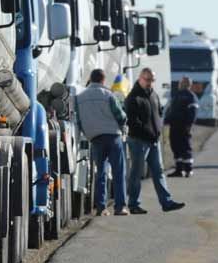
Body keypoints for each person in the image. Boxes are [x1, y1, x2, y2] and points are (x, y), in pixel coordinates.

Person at [124, 68, 187, 214]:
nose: (150, 83)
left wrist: (157, 133)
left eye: (152, 80)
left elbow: (158, 114)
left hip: (153, 141)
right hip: (139, 141)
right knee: (136, 173)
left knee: (159, 172)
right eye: (147, 80)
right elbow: (133, 122)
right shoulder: (133, 98)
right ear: (140, 78)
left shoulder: (153, 95)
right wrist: (149, 133)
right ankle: (133, 204)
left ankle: (166, 202)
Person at [74, 69, 128, 215]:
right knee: (118, 172)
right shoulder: (108, 95)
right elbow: (121, 116)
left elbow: (78, 119)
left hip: (95, 138)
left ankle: (101, 207)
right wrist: (123, 125)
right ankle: (120, 207)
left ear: (91, 79)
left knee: (100, 173)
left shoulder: (79, 97)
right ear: (103, 80)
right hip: (113, 137)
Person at [166, 76, 200, 177]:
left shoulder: (191, 96)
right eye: (181, 82)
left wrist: (189, 124)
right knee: (175, 146)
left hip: (184, 126)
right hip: (174, 125)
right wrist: (167, 120)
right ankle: (179, 169)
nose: (180, 84)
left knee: (185, 146)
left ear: (188, 84)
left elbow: (193, 111)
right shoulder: (177, 95)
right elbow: (171, 109)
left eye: (183, 83)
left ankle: (188, 169)